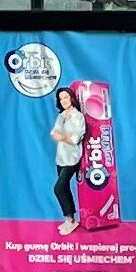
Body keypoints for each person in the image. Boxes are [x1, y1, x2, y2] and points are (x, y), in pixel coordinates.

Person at [49, 87, 86, 235]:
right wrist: (63, 136)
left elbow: (75, 139)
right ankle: (70, 219)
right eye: (60, 98)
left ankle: (70, 220)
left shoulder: (79, 117)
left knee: (58, 187)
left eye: (65, 97)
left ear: (71, 98)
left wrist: (63, 137)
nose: (63, 100)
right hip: (61, 157)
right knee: (64, 188)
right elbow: (54, 132)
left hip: (72, 159)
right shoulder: (62, 115)